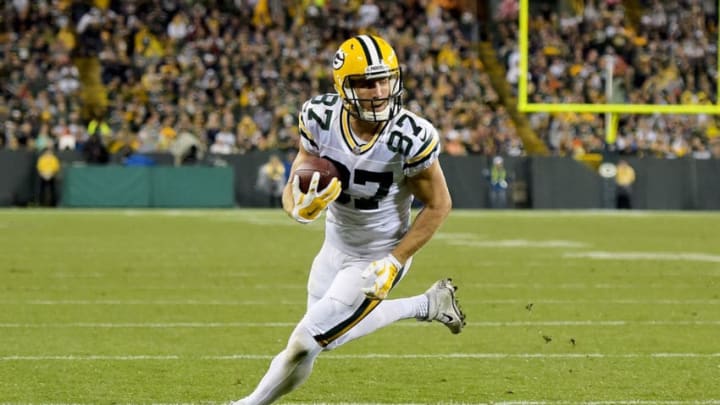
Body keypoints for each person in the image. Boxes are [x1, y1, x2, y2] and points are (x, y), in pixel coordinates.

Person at [231, 34, 466, 405]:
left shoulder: (410, 136)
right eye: (364, 83)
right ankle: (426, 305)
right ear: (343, 87)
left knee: (303, 341)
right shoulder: (319, 118)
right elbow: (298, 173)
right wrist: (298, 208)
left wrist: (393, 261)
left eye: (383, 79)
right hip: (334, 247)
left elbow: (439, 205)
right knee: (320, 342)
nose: (376, 91)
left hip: (378, 256)